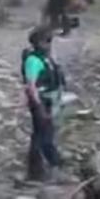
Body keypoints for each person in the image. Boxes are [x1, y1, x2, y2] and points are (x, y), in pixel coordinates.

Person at [22, 26, 65, 181]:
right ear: (39, 42)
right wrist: (39, 107)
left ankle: (37, 170)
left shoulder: (46, 58)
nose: (50, 44)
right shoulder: (33, 61)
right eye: (48, 41)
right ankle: (51, 166)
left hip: (50, 101)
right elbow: (31, 86)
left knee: (42, 135)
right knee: (43, 136)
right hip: (41, 102)